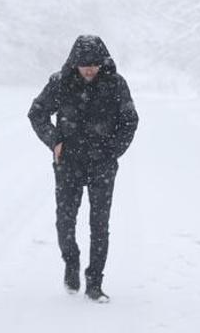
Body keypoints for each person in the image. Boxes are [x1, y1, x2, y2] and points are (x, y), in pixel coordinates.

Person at [28, 35, 139, 302]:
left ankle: (95, 283)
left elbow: (130, 120)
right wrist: (54, 141)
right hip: (68, 164)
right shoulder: (60, 83)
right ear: (74, 62)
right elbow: (37, 113)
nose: (89, 68)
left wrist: (113, 151)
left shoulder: (115, 84)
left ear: (103, 62)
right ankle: (71, 262)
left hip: (103, 164)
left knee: (99, 224)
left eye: (94, 63)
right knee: (65, 221)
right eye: (83, 63)